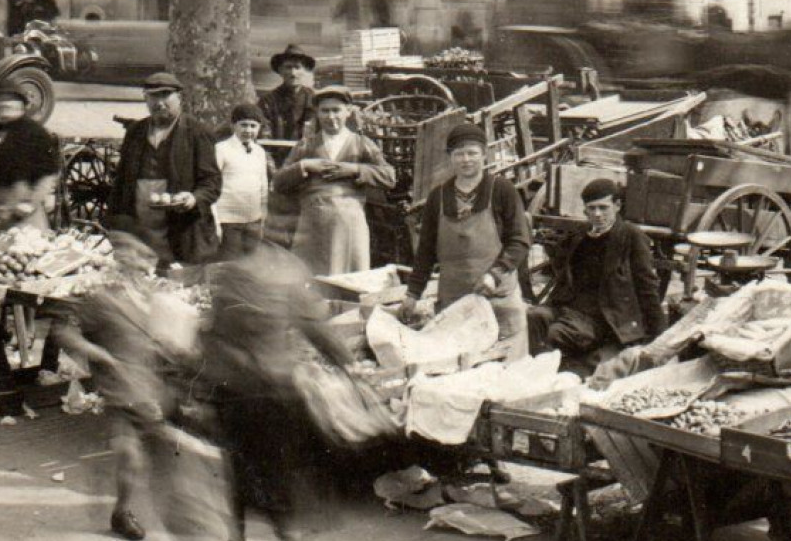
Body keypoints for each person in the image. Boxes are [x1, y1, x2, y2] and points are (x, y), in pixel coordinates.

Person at [201, 244, 354, 541]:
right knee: (267, 476)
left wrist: (347, 362)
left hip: (260, 392)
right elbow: (314, 327)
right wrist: (348, 363)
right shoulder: (273, 273)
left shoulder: (248, 274)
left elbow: (311, 324)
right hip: (255, 392)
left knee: (254, 475)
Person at [52, 222, 178, 541]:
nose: (142, 263)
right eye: (135, 255)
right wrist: (98, 354)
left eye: (146, 257)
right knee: (130, 455)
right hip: (121, 388)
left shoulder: (156, 295)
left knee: (163, 457)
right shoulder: (103, 297)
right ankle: (122, 512)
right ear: (122, 257)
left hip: (153, 385)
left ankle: (165, 510)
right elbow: (64, 331)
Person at [401, 122, 532, 359]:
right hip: (455, 304)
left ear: (484, 154)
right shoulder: (438, 197)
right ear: (450, 157)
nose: (466, 159)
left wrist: (494, 274)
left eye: (472, 152)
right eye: (459, 153)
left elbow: (519, 240)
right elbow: (426, 251)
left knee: (508, 370)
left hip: (499, 299)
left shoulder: (502, 190)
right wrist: (412, 294)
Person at [530, 178, 666, 368]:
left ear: (617, 206)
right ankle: (540, 370)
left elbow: (647, 285)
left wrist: (659, 336)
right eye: (591, 208)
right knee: (534, 317)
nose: (597, 214)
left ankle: (561, 370)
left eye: (603, 208)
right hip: (572, 308)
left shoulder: (631, 236)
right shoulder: (582, 233)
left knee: (556, 334)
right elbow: (565, 270)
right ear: (585, 210)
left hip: (605, 315)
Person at [271, 86, 395, 276]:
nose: (331, 117)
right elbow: (278, 181)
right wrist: (305, 165)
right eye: (325, 111)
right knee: (312, 281)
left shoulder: (361, 143)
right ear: (317, 114)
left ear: (348, 112)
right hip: (313, 223)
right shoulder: (306, 145)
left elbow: (389, 176)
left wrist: (354, 170)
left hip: (349, 222)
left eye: (336, 110)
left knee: (350, 281)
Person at [107, 73, 222, 266]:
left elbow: (211, 182)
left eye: (166, 95)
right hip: (140, 230)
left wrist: (193, 198)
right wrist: (116, 224)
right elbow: (121, 182)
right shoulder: (135, 131)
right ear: (145, 98)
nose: (159, 103)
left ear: (180, 97)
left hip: (180, 230)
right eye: (153, 96)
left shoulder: (197, 133)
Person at [0, 83, 60, 230]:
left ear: (23, 105)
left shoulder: (35, 133)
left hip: (20, 215)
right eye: (0, 100)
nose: (6, 103)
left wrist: (29, 203)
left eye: (12, 100)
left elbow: (48, 174)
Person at [213, 102, 272, 260]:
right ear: (233, 126)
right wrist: (215, 221)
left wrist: (263, 216)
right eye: (243, 125)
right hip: (228, 220)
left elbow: (263, 184)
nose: (248, 130)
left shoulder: (259, 152)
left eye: (253, 126)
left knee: (251, 263)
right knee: (230, 262)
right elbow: (212, 185)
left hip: (253, 219)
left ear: (259, 128)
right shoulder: (221, 149)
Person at [259, 44, 316, 142]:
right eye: (288, 67)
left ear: (305, 70)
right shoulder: (268, 101)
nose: (293, 73)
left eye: (297, 67)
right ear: (280, 70)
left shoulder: (314, 99)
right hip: (276, 153)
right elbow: (263, 133)